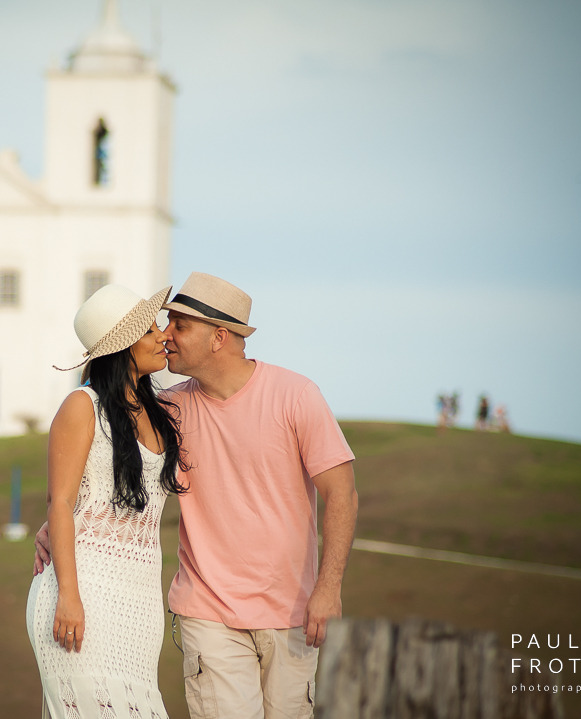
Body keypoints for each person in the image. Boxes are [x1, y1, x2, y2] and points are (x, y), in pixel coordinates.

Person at [36, 272, 358, 719]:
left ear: (218, 337)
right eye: (161, 324)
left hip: (292, 613)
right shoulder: (168, 408)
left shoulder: (296, 396)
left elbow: (342, 494)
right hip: (207, 614)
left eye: (179, 325)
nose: (167, 334)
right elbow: (99, 462)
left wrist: (329, 587)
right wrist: (58, 519)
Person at [26, 283, 190, 718]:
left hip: (140, 601)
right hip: (82, 595)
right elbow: (60, 503)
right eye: (150, 330)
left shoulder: (159, 411)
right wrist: (68, 597)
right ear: (122, 346)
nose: (163, 335)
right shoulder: (82, 405)